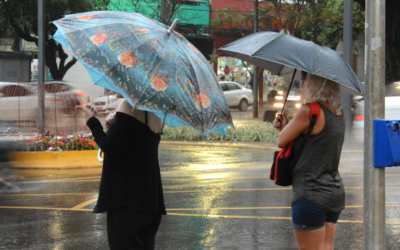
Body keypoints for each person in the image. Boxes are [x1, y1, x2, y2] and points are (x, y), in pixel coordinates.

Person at [76, 94, 166, 250]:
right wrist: (112, 128)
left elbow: (112, 149)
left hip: (127, 204)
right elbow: (133, 147)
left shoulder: (128, 104)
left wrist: (92, 121)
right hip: (151, 203)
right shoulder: (156, 110)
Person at [273, 73, 345, 250]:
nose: (301, 86)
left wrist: (284, 127)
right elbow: (315, 142)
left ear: (316, 85)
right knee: (327, 247)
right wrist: (288, 125)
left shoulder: (309, 110)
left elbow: (281, 140)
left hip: (310, 194)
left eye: (304, 83)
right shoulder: (338, 112)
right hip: (334, 192)